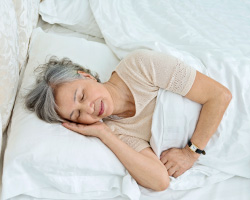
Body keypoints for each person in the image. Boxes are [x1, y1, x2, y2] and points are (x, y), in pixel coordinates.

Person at [25, 49, 232, 191]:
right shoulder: (116, 130)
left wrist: (190, 153)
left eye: (81, 96)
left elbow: (220, 96)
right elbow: (159, 180)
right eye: (78, 115)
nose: (89, 108)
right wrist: (104, 134)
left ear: (86, 76)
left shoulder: (139, 66)